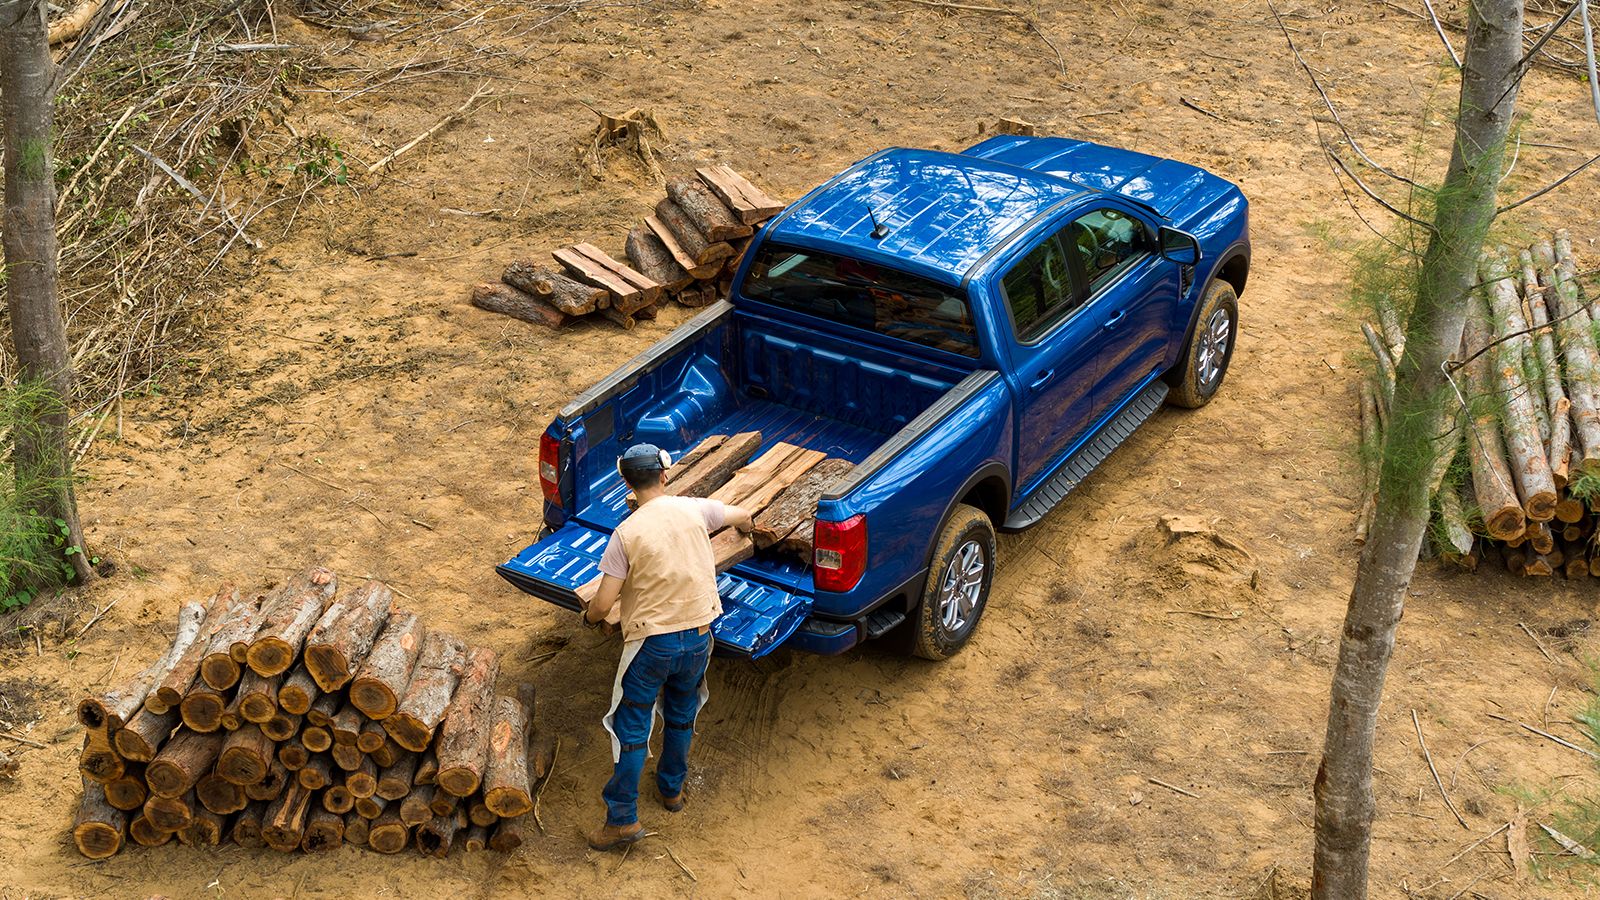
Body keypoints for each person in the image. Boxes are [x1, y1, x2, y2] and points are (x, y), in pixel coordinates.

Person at [580, 442, 753, 851]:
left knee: (632, 727)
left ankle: (622, 819)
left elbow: (605, 602)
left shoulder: (626, 534)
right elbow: (741, 516)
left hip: (651, 644)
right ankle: (672, 791)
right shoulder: (694, 509)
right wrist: (746, 531)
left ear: (626, 481)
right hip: (697, 638)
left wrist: (589, 618)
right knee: (681, 713)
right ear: (664, 476)